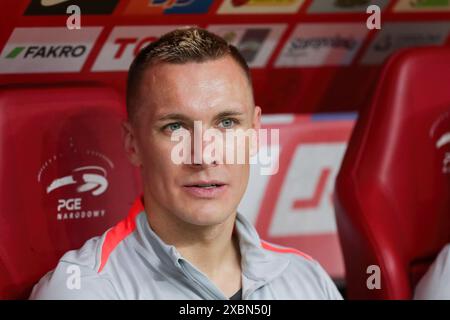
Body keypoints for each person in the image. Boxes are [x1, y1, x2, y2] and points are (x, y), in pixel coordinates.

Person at [30, 27, 342, 300]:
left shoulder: (307, 281)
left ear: (255, 133)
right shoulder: (84, 290)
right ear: (132, 143)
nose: (204, 155)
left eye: (227, 123)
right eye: (175, 127)